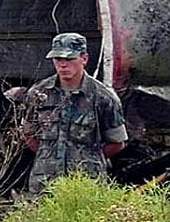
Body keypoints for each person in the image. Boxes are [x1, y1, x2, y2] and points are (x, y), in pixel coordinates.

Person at [17, 34, 126, 195]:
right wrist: (48, 156)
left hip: (86, 184)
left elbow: (117, 143)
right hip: (45, 184)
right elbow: (28, 134)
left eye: (69, 59)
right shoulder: (39, 93)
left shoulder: (103, 97)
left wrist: (89, 159)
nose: (63, 65)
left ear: (84, 59)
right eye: (58, 59)